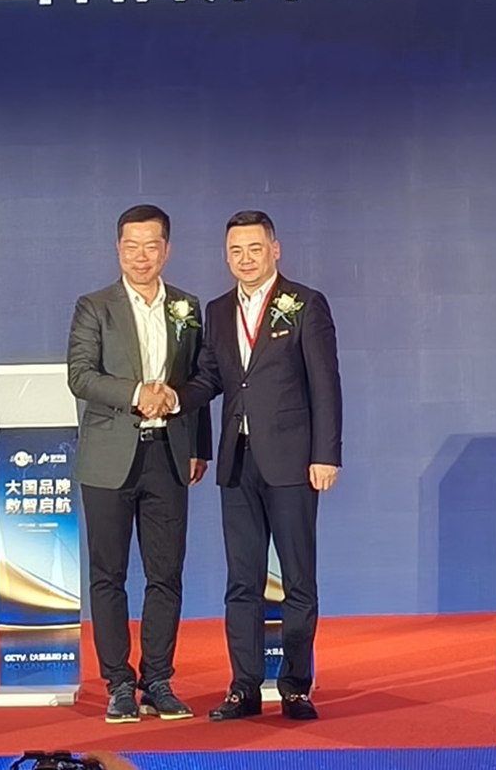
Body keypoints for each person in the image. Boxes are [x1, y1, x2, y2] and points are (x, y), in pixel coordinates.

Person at [187, 210, 341, 721]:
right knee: (241, 582)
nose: (245, 259)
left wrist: (326, 454)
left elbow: (325, 384)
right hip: (238, 461)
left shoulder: (305, 304)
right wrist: (172, 397)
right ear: (226, 256)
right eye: (236, 251)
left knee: (298, 579)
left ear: (275, 250)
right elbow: (210, 379)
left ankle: (295, 686)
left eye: (255, 248)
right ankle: (244, 687)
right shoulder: (217, 310)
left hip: (293, 461)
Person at [64, 204, 211, 723]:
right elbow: (80, 375)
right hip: (109, 459)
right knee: (108, 575)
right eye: (131, 246)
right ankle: (119, 684)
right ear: (118, 249)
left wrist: (199, 446)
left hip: (167, 455)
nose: (141, 256)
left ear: (166, 250)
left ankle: (159, 680)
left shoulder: (187, 307)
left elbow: (200, 381)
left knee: (165, 573)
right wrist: (136, 393)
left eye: (151, 246)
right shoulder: (94, 306)